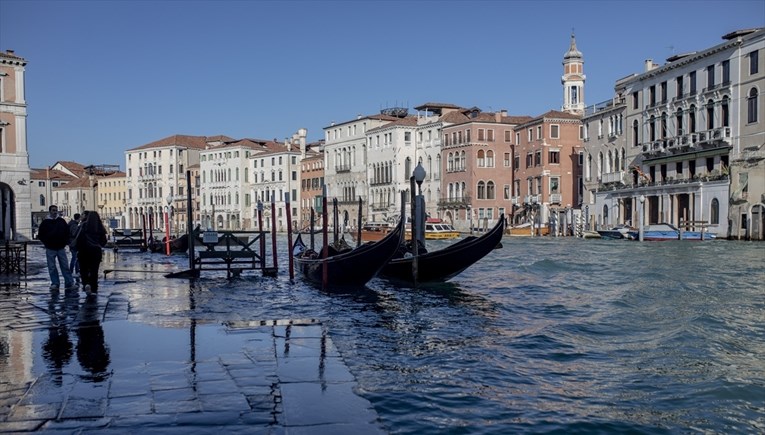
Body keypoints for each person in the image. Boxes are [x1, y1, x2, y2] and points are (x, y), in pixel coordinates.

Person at [38, 205, 76, 291]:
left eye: (56, 210)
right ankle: (55, 283)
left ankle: (69, 282)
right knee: (52, 267)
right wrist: (46, 243)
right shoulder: (45, 222)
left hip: (60, 247)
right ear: (50, 211)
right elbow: (41, 234)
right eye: (53, 210)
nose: (55, 212)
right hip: (50, 247)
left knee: (65, 266)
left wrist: (65, 242)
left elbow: (67, 232)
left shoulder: (61, 221)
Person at [74, 210, 107, 296]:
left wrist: (78, 248)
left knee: (84, 269)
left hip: (84, 251)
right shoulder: (100, 227)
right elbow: (104, 241)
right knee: (94, 270)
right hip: (96, 251)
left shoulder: (83, 226)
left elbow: (78, 238)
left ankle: (86, 284)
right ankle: (93, 288)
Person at [68, 213, 81, 281]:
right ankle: (72, 272)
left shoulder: (71, 223)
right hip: (74, 243)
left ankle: (76, 271)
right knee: (75, 258)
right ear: (78, 218)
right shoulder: (74, 225)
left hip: (72, 243)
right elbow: (74, 234)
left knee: (75, 258)